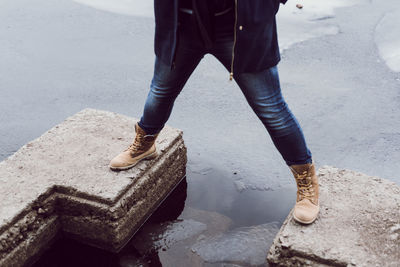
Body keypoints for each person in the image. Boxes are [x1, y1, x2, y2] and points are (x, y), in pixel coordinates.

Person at [109, 0, 319, 225]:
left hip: (238, 27)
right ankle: (145, 143)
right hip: (182, 24)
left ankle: (306, 179)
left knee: (271, 109)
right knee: (160, 93)